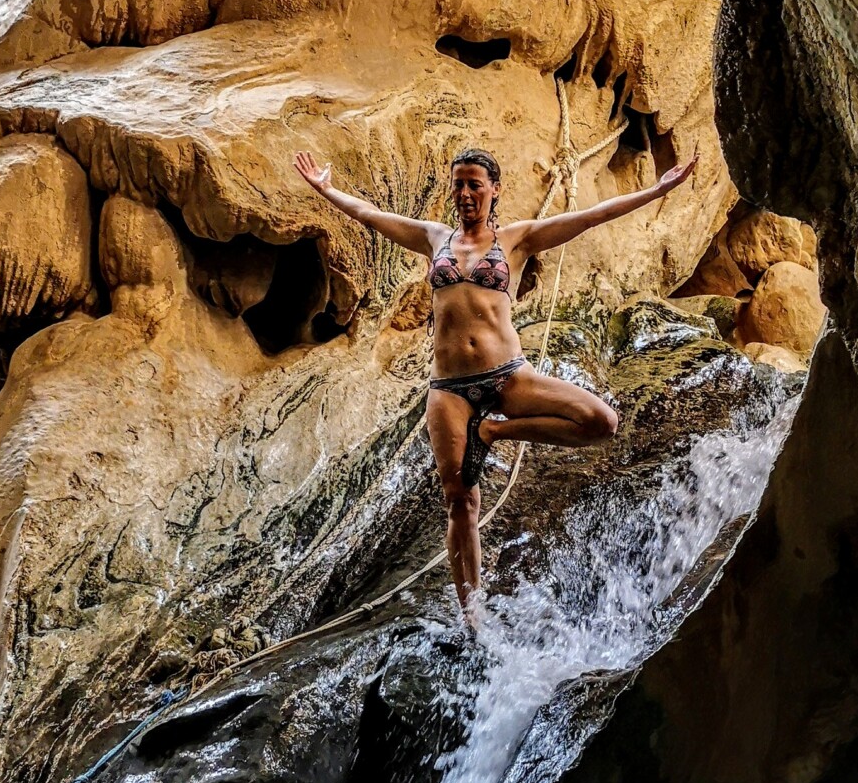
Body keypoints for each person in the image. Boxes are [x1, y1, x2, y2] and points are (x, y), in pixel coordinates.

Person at [293, 141, 698, 615]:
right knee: (460, 501)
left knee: (600, 420)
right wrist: (326, 190)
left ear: (494, 190)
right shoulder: (434, 237)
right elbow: (369, 215)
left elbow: (592, 216)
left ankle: (494, 431)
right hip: (448, 389)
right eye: (458, 184)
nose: (465, 193)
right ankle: (473, 614)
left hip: (508, 376)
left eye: (474, 185)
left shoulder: (517, 240)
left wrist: (655, 191)